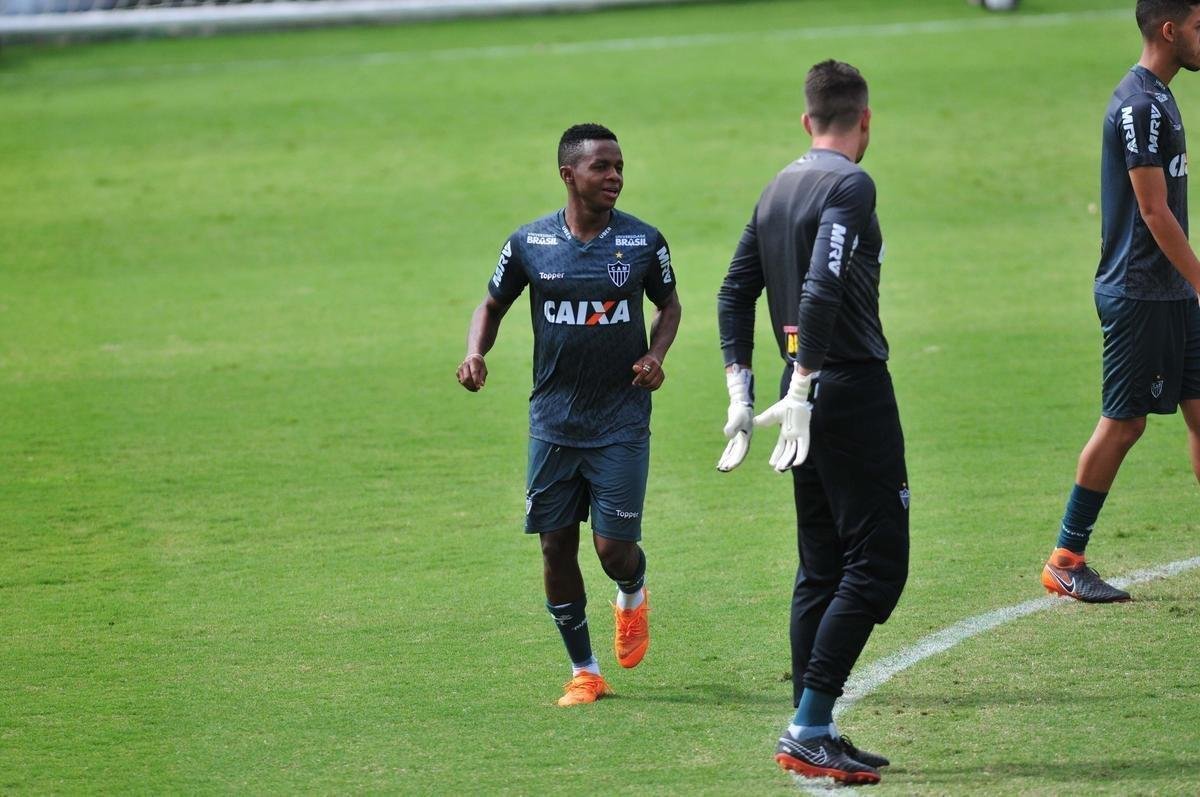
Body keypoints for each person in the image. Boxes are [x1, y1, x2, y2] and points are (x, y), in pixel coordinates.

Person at [715, 60, 907, 785]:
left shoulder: (778, 186)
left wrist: (741, 389)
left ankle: (813, 725)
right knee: (878, 565)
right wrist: (804, 383)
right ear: (865, 120)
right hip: (846, 388)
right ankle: (807, 726)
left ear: (806, 121)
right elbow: (823, 286)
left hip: (804, 395)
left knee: (822, 565)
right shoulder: (850, 184)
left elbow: (733, 292)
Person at [457, 123, 681, 706]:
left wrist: (656, 356)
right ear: (568, 174)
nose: (615, 176)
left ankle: (632, 591)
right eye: (601, 166)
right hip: (553, 422)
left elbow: (669, 305)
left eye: (619, 166)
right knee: (555, 547)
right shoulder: (529, 243)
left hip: (621, 421)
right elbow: (492, 305)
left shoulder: (642, 241)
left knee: (612, 552)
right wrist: (476, 352)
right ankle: (585, 672)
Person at [1042, 0, 1200, 603]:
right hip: (1140, 291)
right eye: (1199, 27)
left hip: (1172, 289)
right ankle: (1065, 558)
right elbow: (1153, 211)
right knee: (1125, 422)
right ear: (1170, 30)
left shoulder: (1161, 96)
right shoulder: (1140, 106)